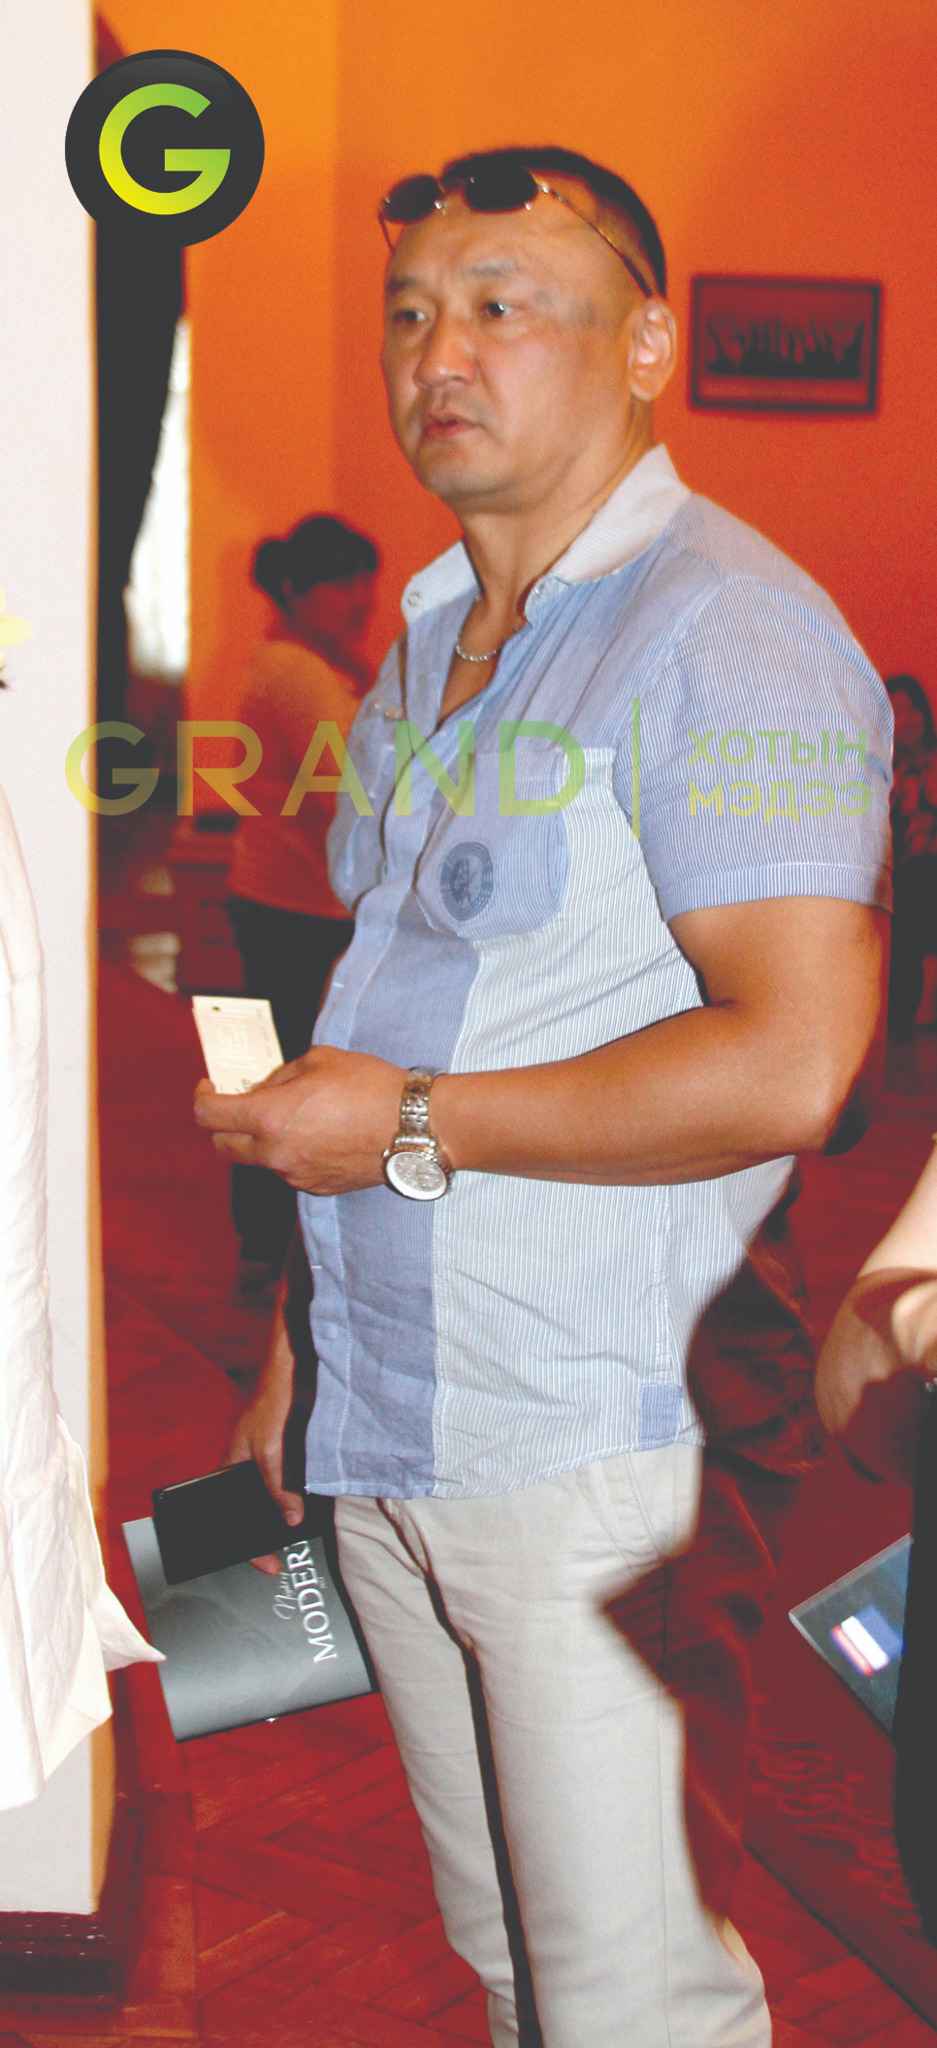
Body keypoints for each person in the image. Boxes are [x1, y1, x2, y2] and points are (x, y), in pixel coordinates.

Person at [195, 145, 892, 2046]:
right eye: (412, 311)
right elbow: (391, 992)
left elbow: (797, 1059)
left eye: (505, 305)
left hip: (601, 1442)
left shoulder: (725, 628)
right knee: (515, 1966)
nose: (442, 352)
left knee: (631, 2002)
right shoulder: (429, 638)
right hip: (398, 1407)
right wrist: (296, 1341)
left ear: (647, 345)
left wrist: (411, 1122)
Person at [225, 515, 379, 1282]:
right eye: (342, 583)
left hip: (279, 898)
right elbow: (347, 798)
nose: (360, 599)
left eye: (364, 582)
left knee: (271, 1068)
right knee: (283, 1075)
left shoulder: (306, 662)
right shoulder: (297, 672)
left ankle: (265, 1244)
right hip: (296, 908)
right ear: (294, 589)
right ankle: (272, 1247)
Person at [885, 673, 937, 1037]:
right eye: (896, 711)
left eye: (911, 709)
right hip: (900, 878)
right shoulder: (883, 774)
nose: (905, 720)